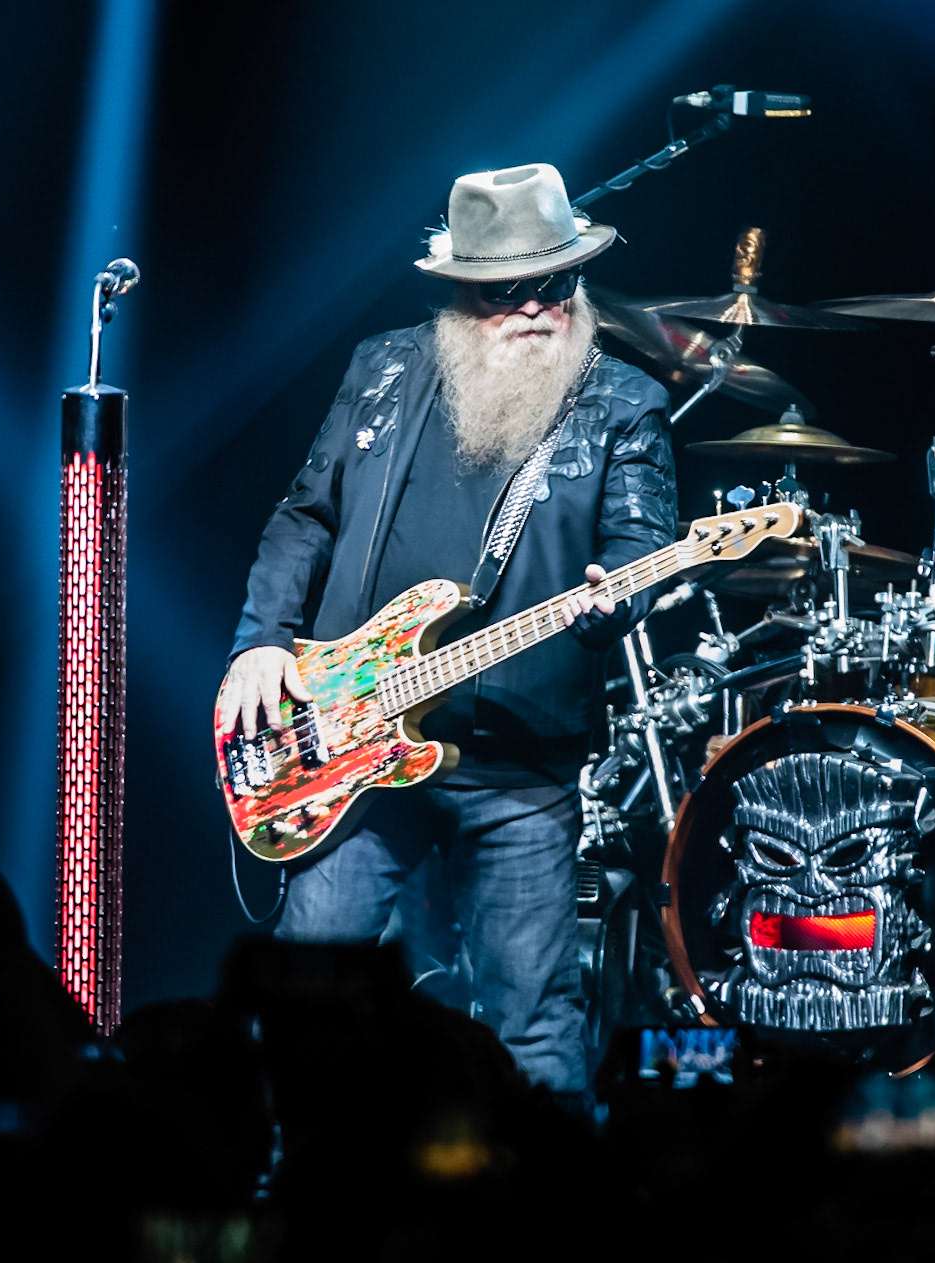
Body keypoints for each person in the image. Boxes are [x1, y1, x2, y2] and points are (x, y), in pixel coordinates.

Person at [218, 163, 677, 1093]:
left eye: (557, 282)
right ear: (465, 294)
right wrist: (262, 637)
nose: (538, 307)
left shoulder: (624, 401)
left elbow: (642, 543)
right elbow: (306, 514)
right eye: (510, 290)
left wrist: (616, 596)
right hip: (351, 741)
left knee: (531, 1021)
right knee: (308, 997)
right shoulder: (383, 368)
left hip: (519, 763)